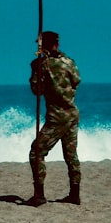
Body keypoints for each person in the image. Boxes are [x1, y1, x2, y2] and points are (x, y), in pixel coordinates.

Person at [27, 30, 81, 206]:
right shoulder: (69, 62)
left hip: (57, 117)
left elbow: (36, 90)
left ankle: (39, 195)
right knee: (71, 155)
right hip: (72, 113)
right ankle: (74, 194)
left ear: (44, 46)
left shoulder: (42, 65)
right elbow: (76, 81)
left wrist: (35, 68)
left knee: (36, 153)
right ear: (56, 44)